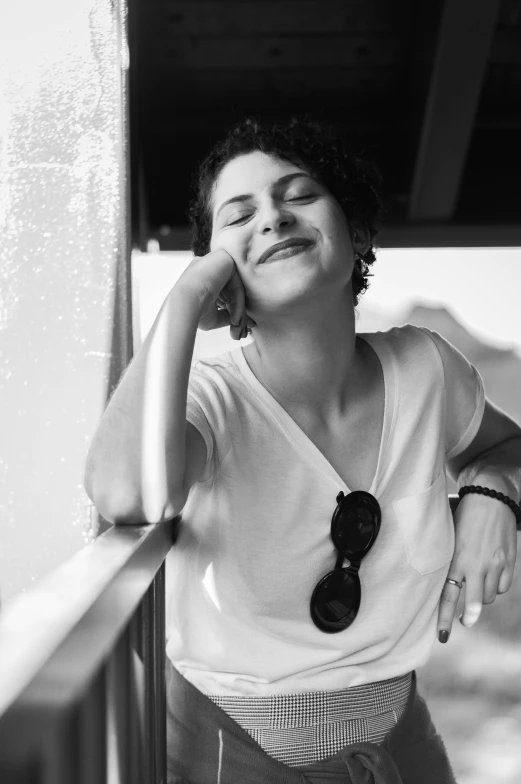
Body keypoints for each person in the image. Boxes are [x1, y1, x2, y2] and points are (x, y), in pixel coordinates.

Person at [84, 117, 521, 784]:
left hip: (401, 744)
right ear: (219, 275)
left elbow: (506, 447)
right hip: (224, 754)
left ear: (354, 229)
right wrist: (181, 305)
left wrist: (493, 495)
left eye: (298, 195)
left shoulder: (424, 367)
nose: (273, 218)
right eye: (240, 215)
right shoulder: (209, 401)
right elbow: (122, 493)